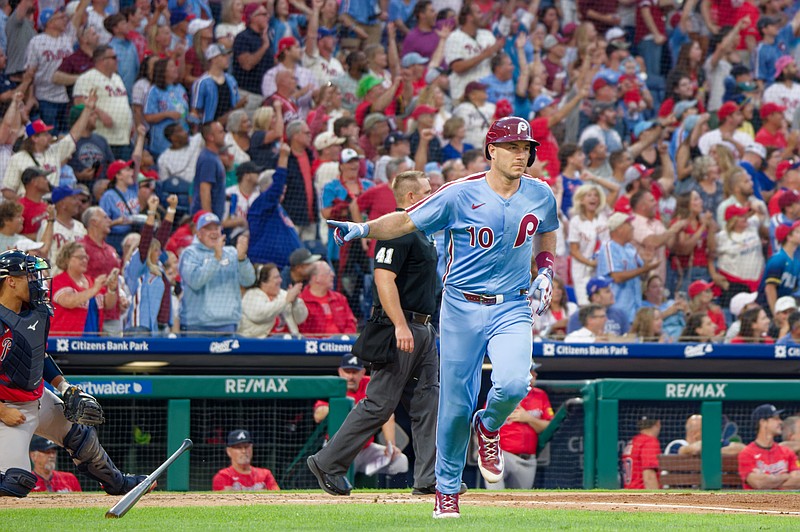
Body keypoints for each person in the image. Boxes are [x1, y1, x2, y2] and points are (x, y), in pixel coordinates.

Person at [328, 116, 558, 518]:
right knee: (453, 406)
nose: (522, 155)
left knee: (514, 383)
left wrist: (547, 269)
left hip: (512, 304)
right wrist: (363, 228)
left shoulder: (540, 193)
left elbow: (548, 231)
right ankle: (446, 491)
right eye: (513, 147)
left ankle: (488, 427)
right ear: (492, 150)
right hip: (461, 307)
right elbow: (404, 219)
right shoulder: (458, 194)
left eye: (526, 148)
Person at [307, 171, 438, 497]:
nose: (432, 193)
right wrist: (400, 324)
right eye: (427, 190)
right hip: (402, 326)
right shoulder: (397, 230)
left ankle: (429, 478)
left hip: (424, 327)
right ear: (411, 197)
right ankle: (327, 462)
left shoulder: (423, 230)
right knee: (380, 403)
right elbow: (383, 279)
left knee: (428, 402)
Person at [0, 249, 146, 498]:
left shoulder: (37, 312)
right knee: (15, 483)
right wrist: (2, 411)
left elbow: (38, 356)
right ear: (11, 281)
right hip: (8, 408)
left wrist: (65, 387)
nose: (37, 282)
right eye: (29, 276)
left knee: (81, 436)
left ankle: (118, 483)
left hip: (37, 397)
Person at [309, 354, 410, 486]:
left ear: (362, 372)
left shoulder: (370, 384)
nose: (351, 376)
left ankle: (393, 496)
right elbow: (318, 415)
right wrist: (348, 407)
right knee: (334, 475)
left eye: (355, 372)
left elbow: (387, 414)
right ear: (340, 371)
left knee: (400, 461)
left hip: (366, 448)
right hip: (339, 450)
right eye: (347, 371)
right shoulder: (333, 386)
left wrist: (390, 445)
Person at [178, 212, 255, 334]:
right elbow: (196, 281)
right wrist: (216, 257)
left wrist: (242, 259)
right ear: (198, 233)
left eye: (216, 228)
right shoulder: (189, 254)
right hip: (197, 326)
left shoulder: (231, 252)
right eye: (208, 229)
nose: (214, 232)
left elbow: (249, 280)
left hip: (227, 323)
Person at [484, 363, 552, 490]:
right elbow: (485, 424)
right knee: (495, 495)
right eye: (532, 371)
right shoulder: (500, 394)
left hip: (527, 459)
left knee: (519, 501)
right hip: (502, 455)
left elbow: (548, 425)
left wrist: (528, 419)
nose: (535, 374)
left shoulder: (540, 395)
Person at [596, 212, 660, 323]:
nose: (632, 228)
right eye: (629, 225)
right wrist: (644, 269)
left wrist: (647, 264)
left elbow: (642, 276)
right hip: (617, 308)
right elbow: (616, 277)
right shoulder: (608, 247)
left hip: (635, 309)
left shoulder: (630, 248)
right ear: (619, 229)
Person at [50, 242, 118, 336]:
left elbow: (108, 304)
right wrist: (94, 289)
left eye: (86, 257)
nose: (85, 260)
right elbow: (69, 302)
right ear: (67, 259)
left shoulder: (92, 281)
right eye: (80, 257)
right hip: (64, 342)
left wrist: (111, 290)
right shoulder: (58, 281)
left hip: (92, 342)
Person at [738, 404, 800, 490]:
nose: (780, 422)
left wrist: (769, 480)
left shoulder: (787, 452)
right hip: (757, 502)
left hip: (783, 502)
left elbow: (797, 481)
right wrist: (786, 476)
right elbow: (759, 483)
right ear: (763, 422)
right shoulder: (747, 453)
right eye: (775, 418)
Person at [239, 263, 307, 337]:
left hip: (288, 339)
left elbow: (300, 319)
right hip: (259, 341)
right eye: (276, 277)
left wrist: (295, 302)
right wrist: (286, 301)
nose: (280, 280)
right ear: (264, 282)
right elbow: (259, 315)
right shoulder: (251, 295)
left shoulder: (283, 294)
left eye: (279, 277)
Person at [298, 261, 357, 336]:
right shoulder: (301, 301)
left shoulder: (339, 298)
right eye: (328, 272)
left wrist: (344, 339)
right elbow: (303, 331)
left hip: (342, 344)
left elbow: (351, 322)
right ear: (316, 278)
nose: (333, 275)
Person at [211, 429, 280, 491]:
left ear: (252, 448)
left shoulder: (265, 474)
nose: (244, 451)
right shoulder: (223, 476)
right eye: (238, 448)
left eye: (246, 447)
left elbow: (277, 498)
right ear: (229, 451)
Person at [667, 415, 744, 457]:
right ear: (694, 433)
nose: (710, 433)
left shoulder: (712, 444)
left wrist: (715, 451)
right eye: (706, 430)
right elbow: (694, 449)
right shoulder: (676, 445)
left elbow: (742, 449)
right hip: (677, 486)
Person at [622, 415, 662, 490]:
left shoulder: (633, 441)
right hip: (641, 494)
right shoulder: (649, 442)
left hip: (629, 492)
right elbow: (649, 477)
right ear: (658, 423)